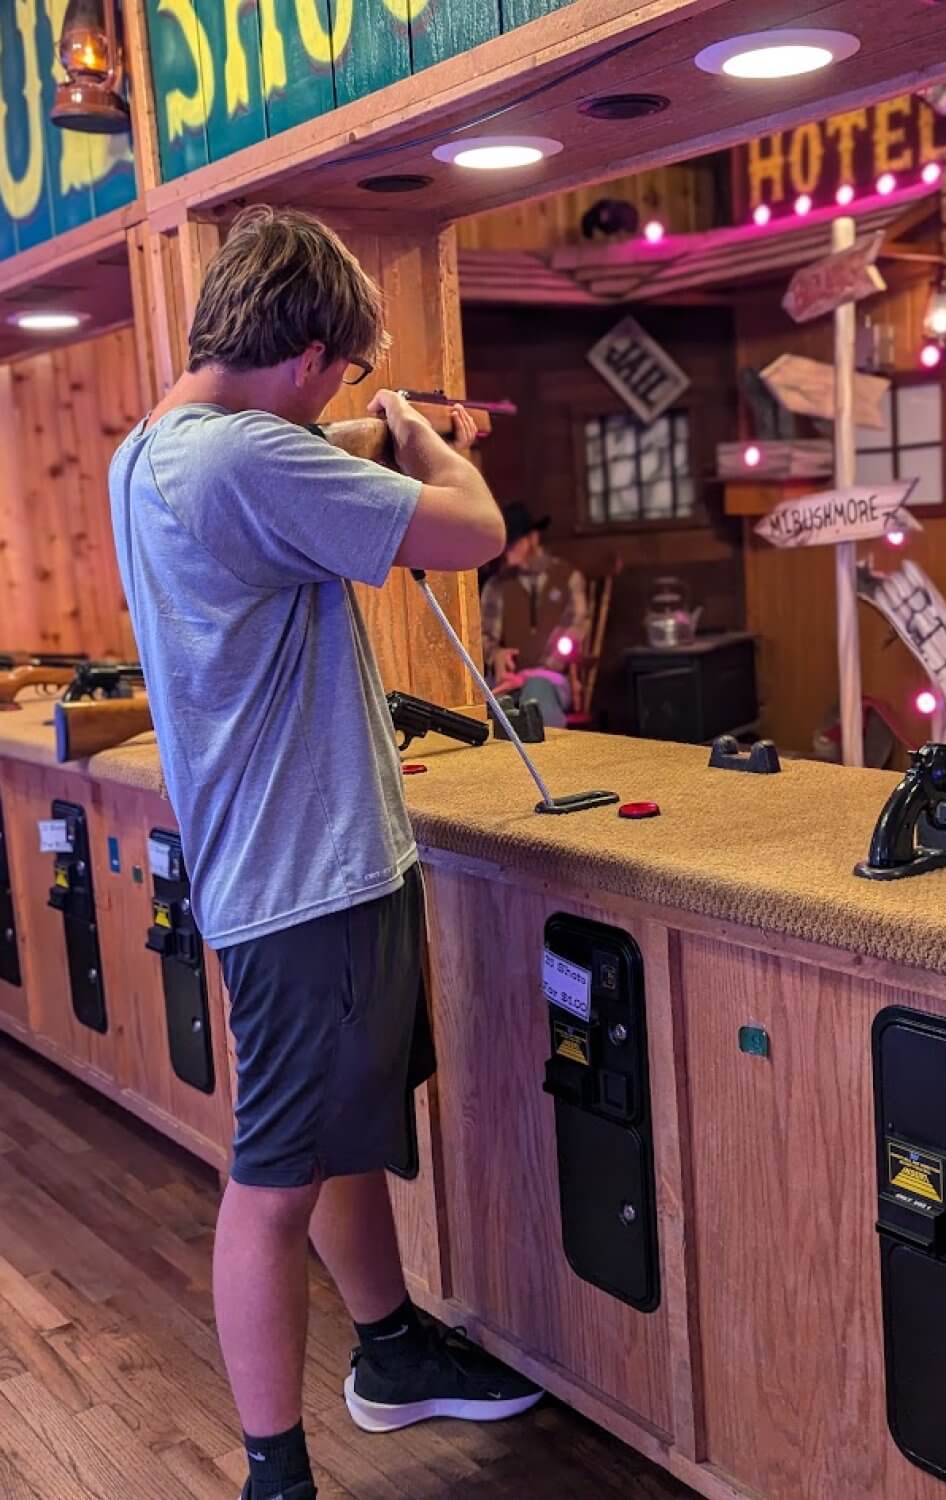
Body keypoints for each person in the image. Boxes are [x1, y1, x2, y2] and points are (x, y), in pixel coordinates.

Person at [108, 206, 542, 1500]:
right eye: (344, 371)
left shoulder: (160, 447)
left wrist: (387, 421)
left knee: (340, 1133)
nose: (346, 396)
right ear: (305, 357)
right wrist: (422, 441)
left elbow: (314, 452)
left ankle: (392, 1349)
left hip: (295, 869)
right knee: (274, 1179)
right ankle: (273, 1476)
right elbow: (474, 534)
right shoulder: (247, 461)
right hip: (307, 884)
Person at [480, 502, 590, 727]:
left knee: (537, 692)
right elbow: (484, 635)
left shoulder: (567, 577)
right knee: (494, 706)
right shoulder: (496, 586)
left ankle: (548, 760)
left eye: (513, 543)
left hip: (551, 678)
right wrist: (496, 655)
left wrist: (534, 673)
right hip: (505, 680)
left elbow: (576, 630)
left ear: (532, 538)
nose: (507, 551)